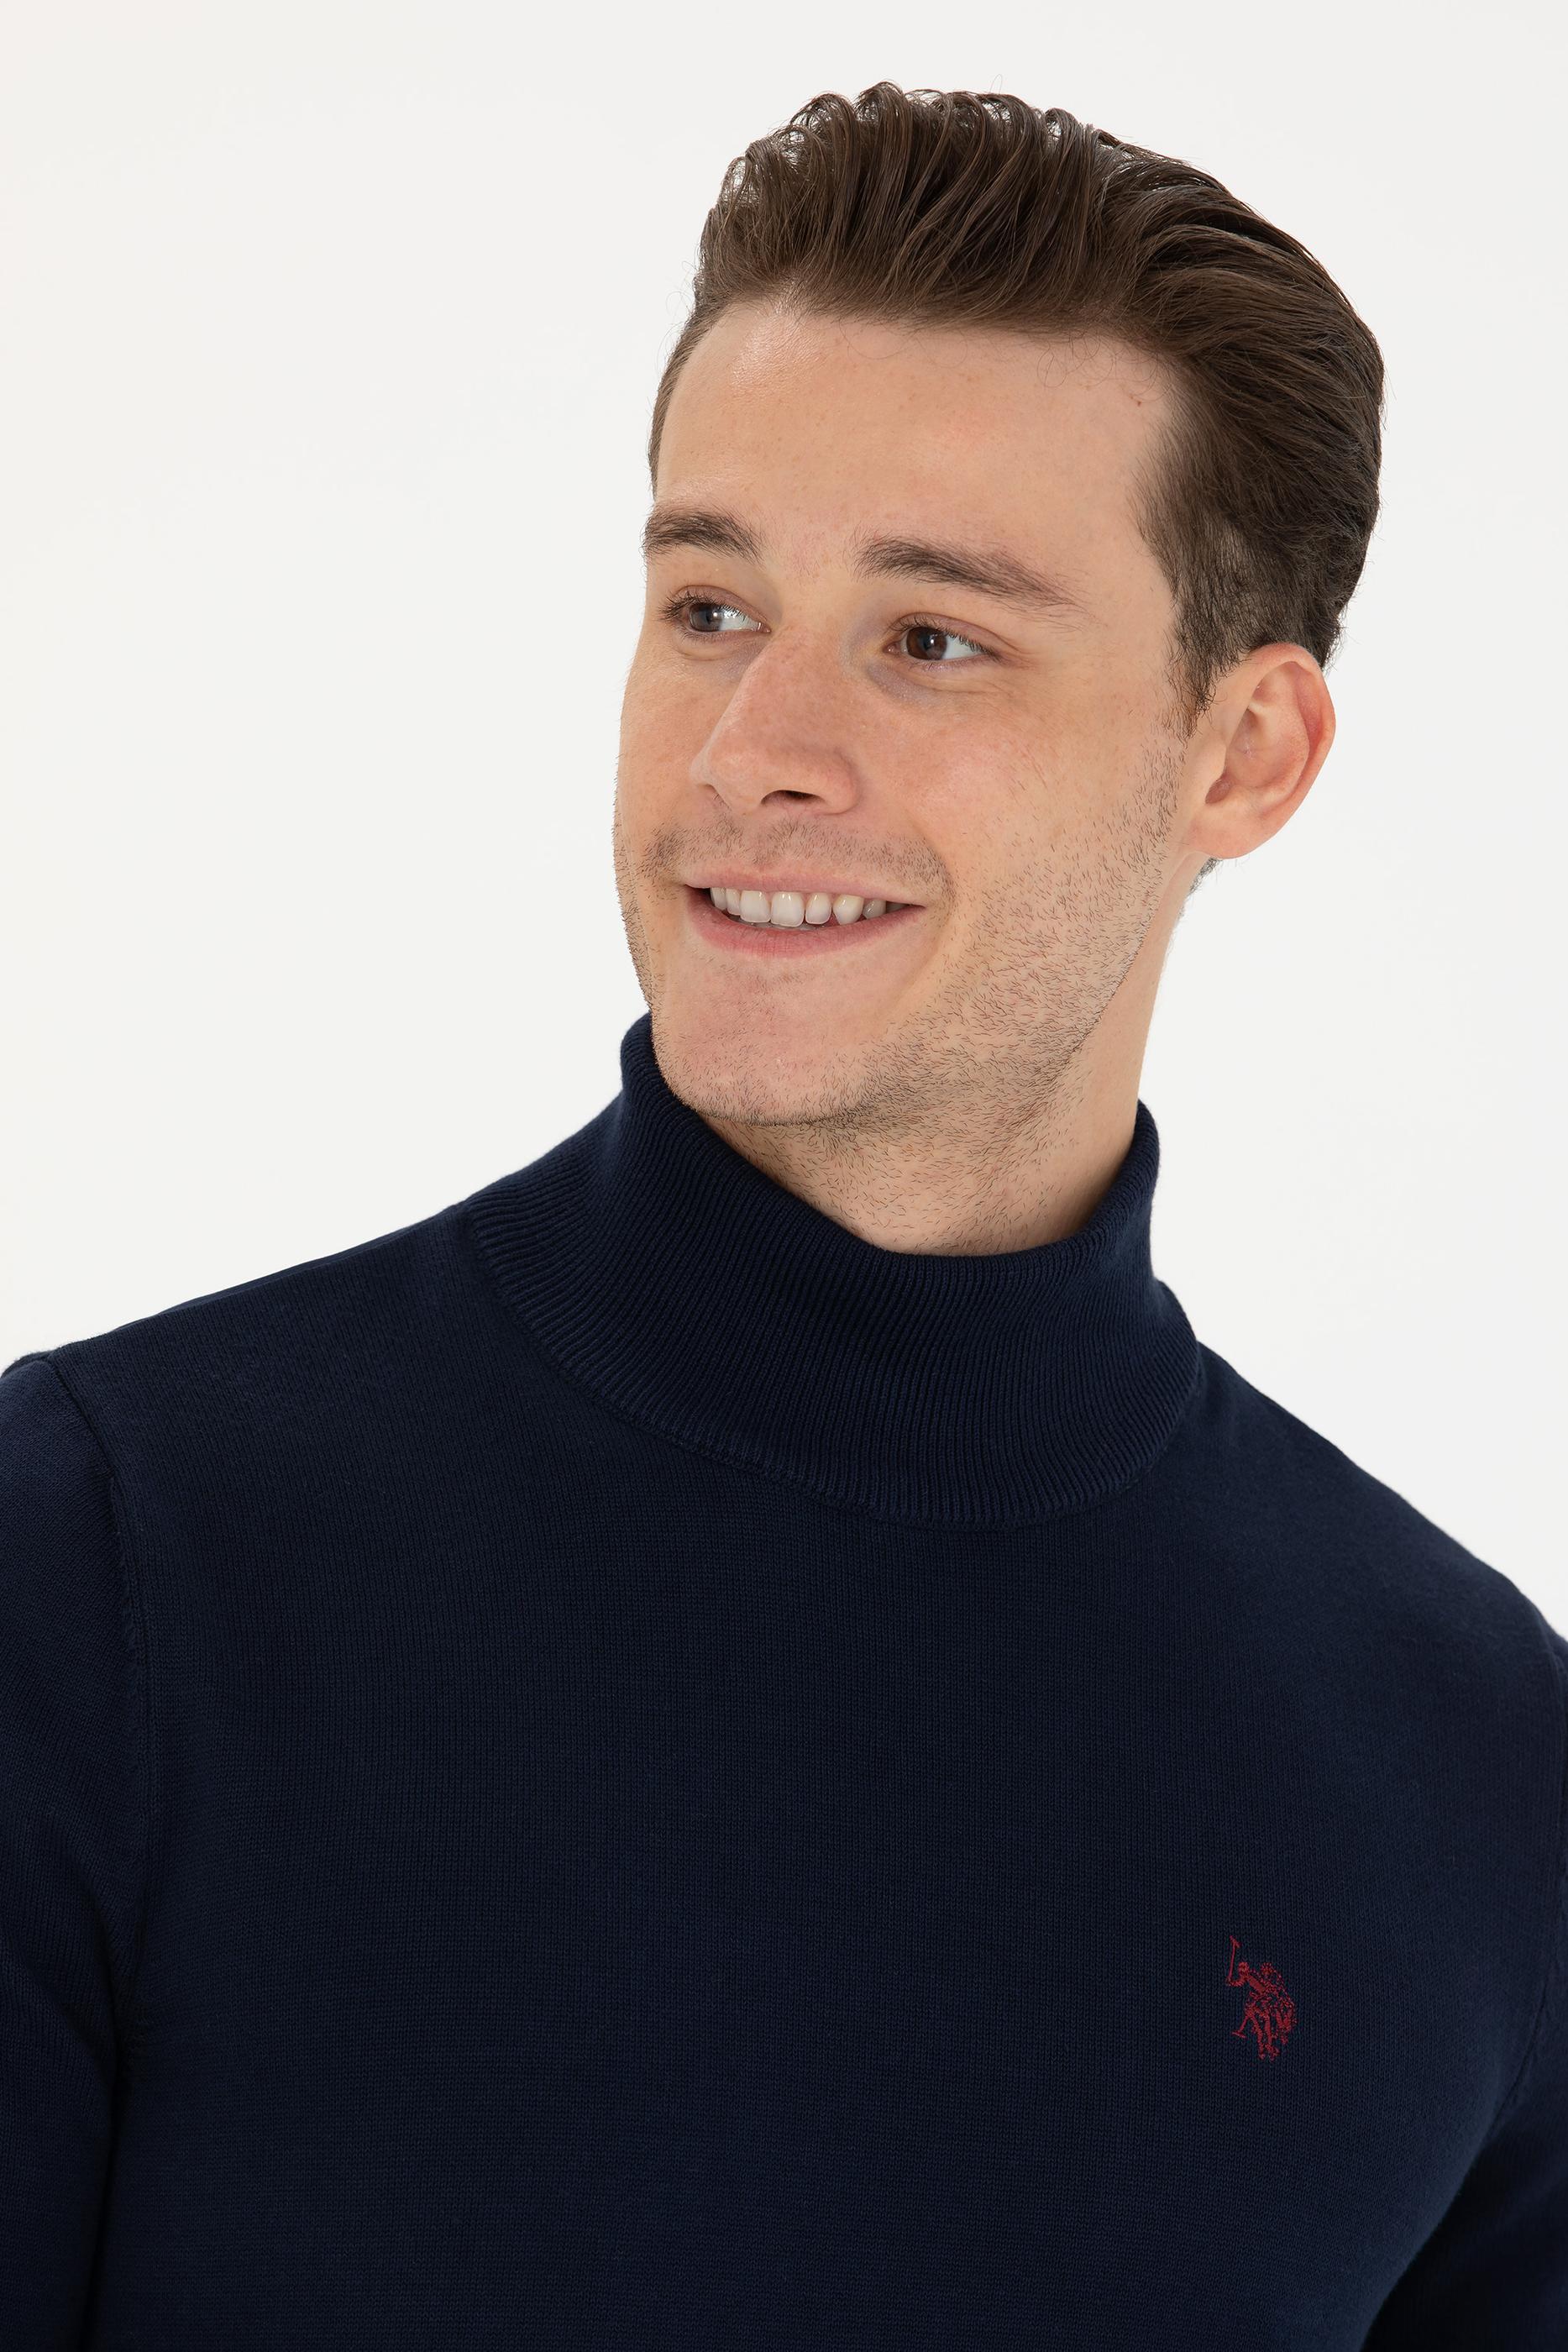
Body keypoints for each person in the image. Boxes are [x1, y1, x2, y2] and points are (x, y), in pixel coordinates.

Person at [3, 81, 1562, 2349]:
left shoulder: (1476, 1777)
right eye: (712, 607)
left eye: (933, 640)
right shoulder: (106, 1563)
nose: (752, 749)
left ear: (1242, 756)